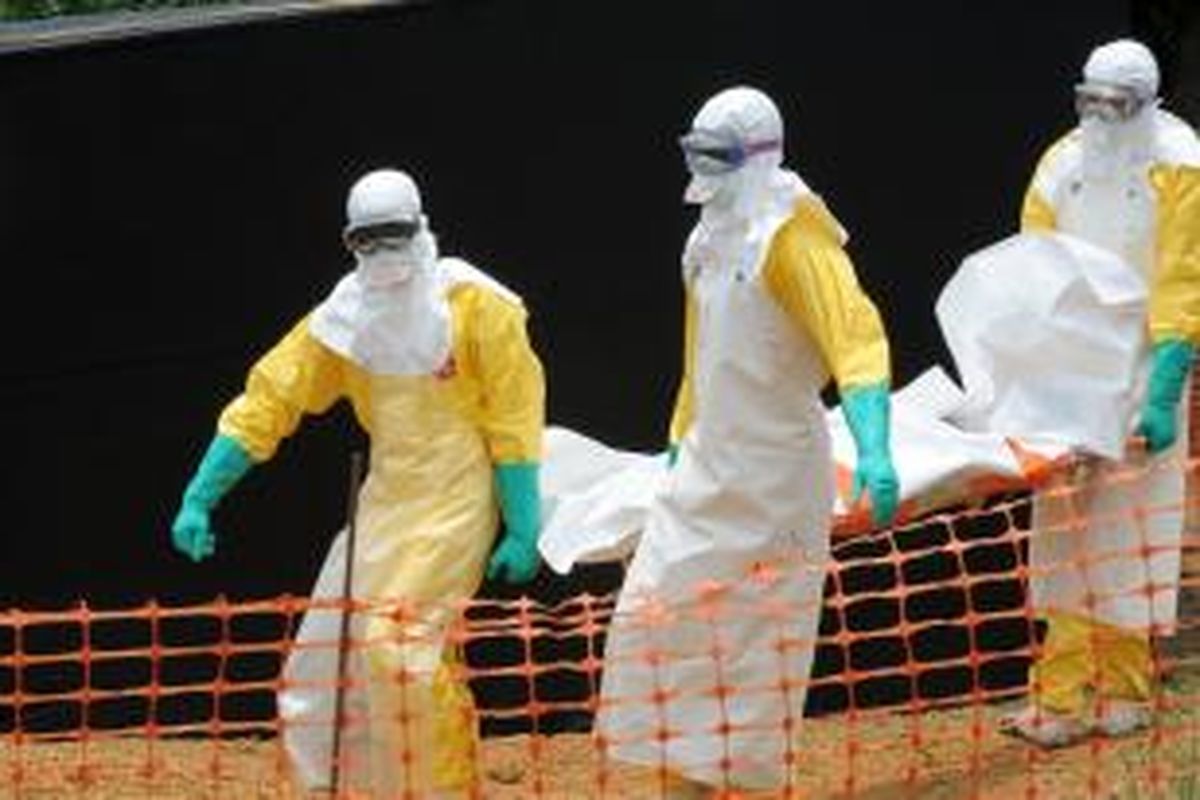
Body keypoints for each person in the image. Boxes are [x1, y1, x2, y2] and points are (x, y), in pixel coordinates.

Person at [169, 168, 546, 797]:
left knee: (398, 650)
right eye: (364, 240)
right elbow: (272, 397)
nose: (380, 252)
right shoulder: (345, 317)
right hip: (386, 502)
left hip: (456, 498)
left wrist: (522, 522)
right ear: (349, 241)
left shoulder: (478, 306)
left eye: (391, 234)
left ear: (420, 225)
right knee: (322, 670)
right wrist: (201, 494)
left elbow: (514, 418)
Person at [596, 86, 899, 798]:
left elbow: (857, 345)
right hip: (703, 474)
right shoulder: (704, 239)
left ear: (759, 156)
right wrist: (679, 440)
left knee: (753, 663)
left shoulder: (796, 240)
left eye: (717, 154)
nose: (703, 170)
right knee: (655, 625)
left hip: (774, 487)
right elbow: (699, 356)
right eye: (695, 151)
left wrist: (876, 449)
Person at [1000, 38, 1200, 747]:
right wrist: (1035, 368)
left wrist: (1168, 379)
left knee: (1130, 531)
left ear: (1147, 104)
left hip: (1147, 368)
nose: (1100, 117)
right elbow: (1033, 263)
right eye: (1089, 101)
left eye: (1115, 105)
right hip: (1073, 370)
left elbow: (1183, 276)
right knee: (1063, 534)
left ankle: (1126, 688)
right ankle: (1057, 698)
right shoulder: (1062, 164)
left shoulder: (1181, 163)